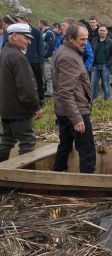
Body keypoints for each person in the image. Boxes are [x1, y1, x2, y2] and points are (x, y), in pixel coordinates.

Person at [51, 22, 96, 173]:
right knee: (87, 151)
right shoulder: (69, 57)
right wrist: (77, 119)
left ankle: (57, 175)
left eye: (87, 39)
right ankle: (87, 187)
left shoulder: (64, 50)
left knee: (64, 145)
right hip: (76, 111)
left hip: (65, 110)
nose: (85, 42)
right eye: (82, 39)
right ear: (70, 38)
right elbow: (65, 91)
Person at [0, 23, 42, 162]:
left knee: (7, 141)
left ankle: (3, 177)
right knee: (28, 143)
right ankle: (25, 180)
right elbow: (26, 88)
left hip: (6, 109)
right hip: (19, 110)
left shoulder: (5, 52)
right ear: (15, 36)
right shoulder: (17, 56)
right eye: (26, 37)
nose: (29, 41)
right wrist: (35, 106)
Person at [16, 12, 46, 106]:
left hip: (34, 61)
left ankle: (40, 100)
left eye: (19, 19)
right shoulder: (18, 31)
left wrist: (41, 62)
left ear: (25, 20)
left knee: (38, 81)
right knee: (25, 81)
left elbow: (41, 47)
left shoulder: (36, 31)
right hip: (22, 60)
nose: (17, 21)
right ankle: (27, 101)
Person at [91, 24, 112, 101]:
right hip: (95, 66)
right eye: (100, 30)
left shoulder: (111, 42)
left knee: (105, 83)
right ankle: (94, 98)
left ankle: (107, 99)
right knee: (93, 83)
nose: (102, 32)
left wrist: (108, 64)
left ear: (106, 31)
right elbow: (91, 52)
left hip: (105, 66)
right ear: (98, 31)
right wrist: (91, 64)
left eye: (103, 30)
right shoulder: (94, 41)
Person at [39, 19, 56, 97]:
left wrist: (46, 55)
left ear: (42, 23)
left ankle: (50, 92)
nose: (38, 24)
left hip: (48, 58)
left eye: (39, 23)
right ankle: (46, 90)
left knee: (48, 75)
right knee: (44, 75)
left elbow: (51, 45)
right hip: (43, 58)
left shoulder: (49, 32)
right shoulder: (43, 32)